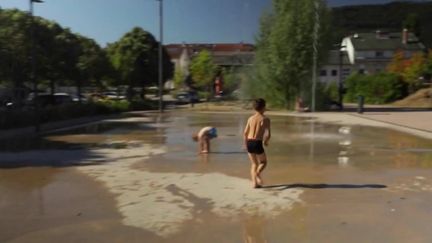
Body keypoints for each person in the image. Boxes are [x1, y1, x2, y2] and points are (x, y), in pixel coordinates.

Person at [243, 98, 271, 188]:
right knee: (263, 162)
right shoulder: (265, 119)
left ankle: (254, 183)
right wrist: (265, 141)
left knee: (254, 164)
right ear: (264, 107)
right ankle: (258, 173)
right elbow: (268, 134)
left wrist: (245, 144)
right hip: (257, 142)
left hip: (249, 142)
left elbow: (245, 133)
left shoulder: (250, 118)